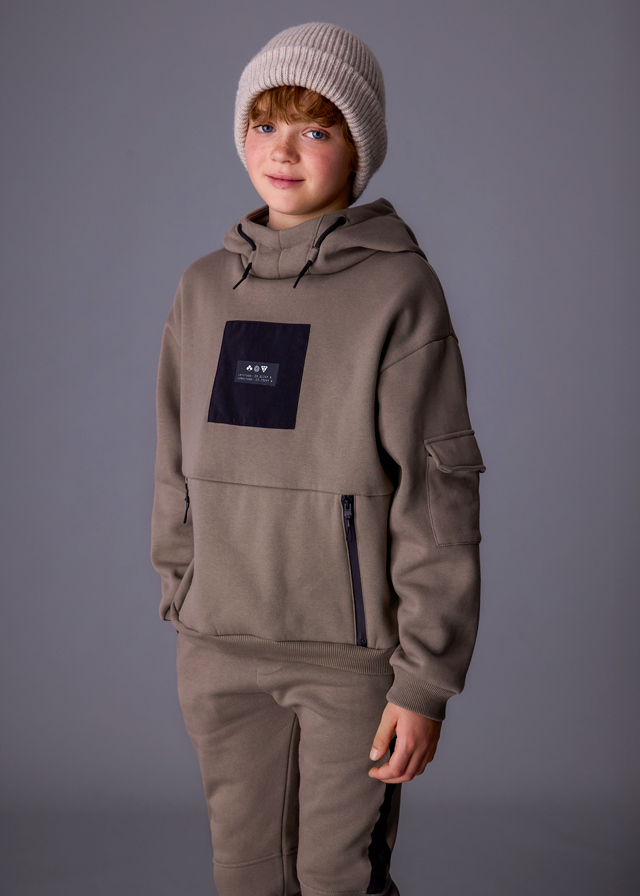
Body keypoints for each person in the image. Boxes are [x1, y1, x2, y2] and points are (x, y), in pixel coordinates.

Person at [151, 21, 486, 896]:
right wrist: (183, 593)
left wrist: (424, 680)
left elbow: (437, 494)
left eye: (316, 128)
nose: (284, 150)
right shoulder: (201, 288)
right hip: (218, 649)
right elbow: (172, 460)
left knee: (338, 879)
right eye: (265, 124)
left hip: (349, 661)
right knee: (246, 875)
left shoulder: (398, 290)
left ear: (358, 146)